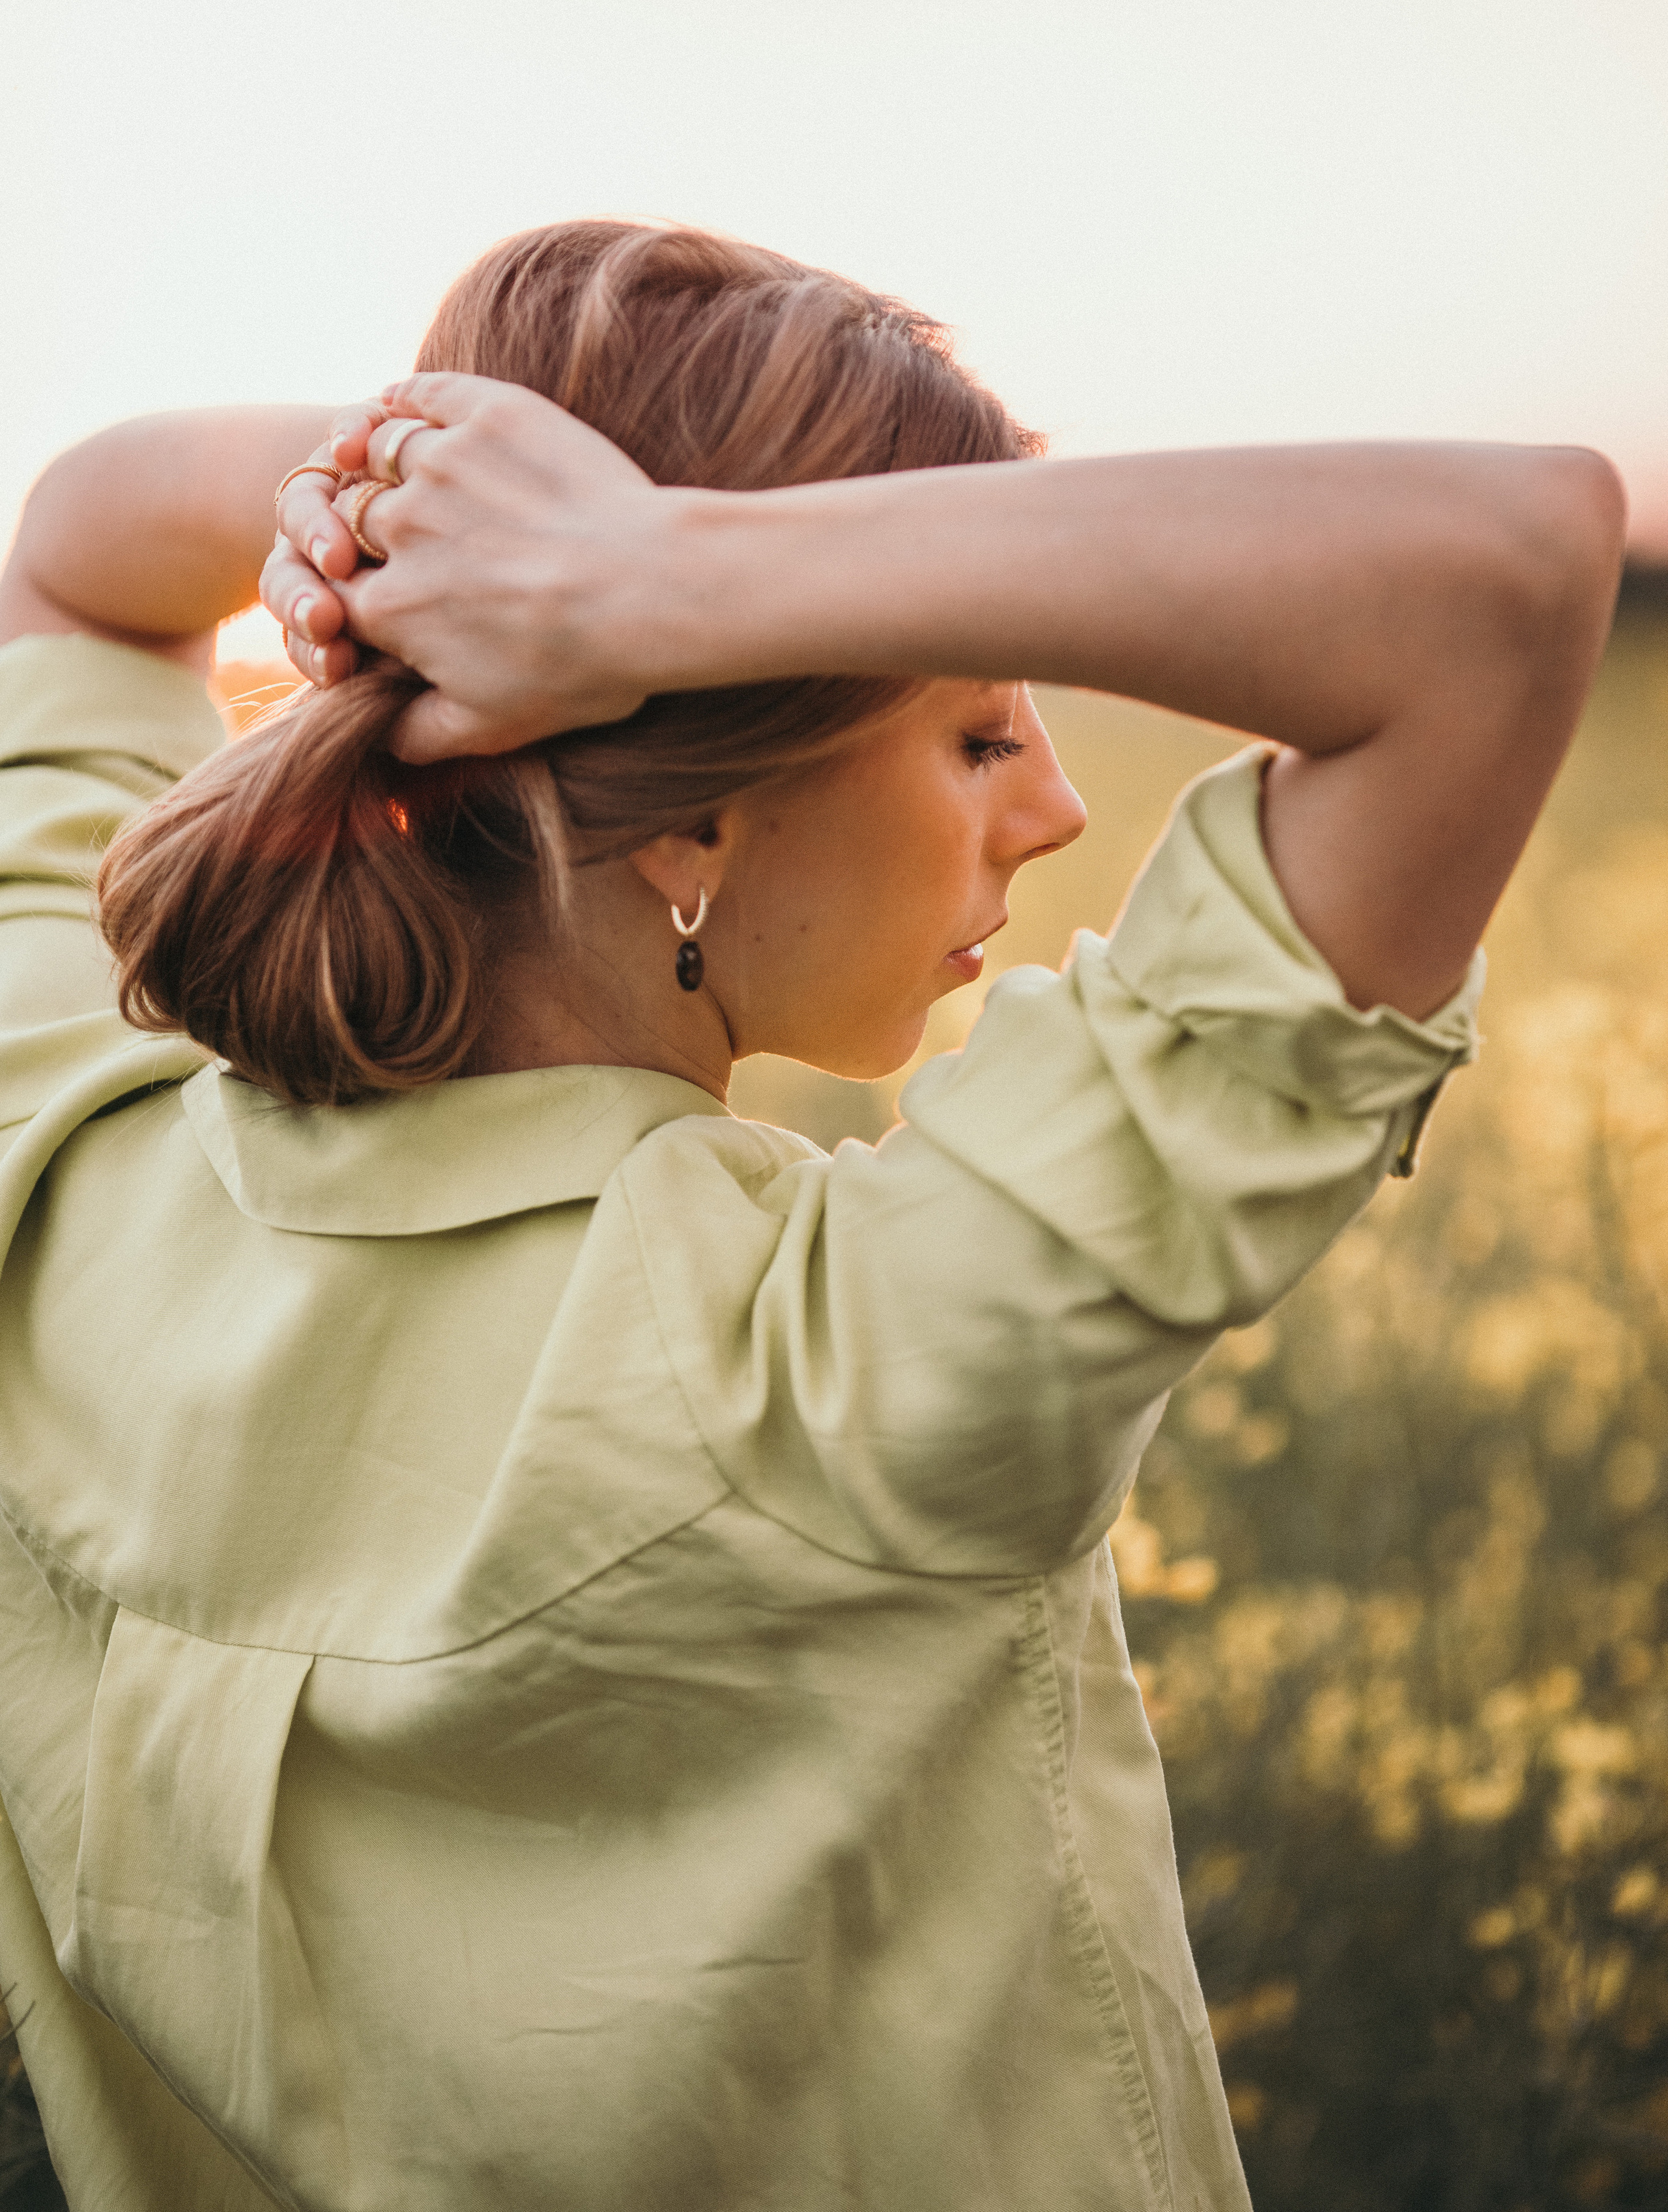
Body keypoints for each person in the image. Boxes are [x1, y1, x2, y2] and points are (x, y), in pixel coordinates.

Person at [0, 220, 1622, 2212]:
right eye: (969, 729)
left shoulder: (61, 1127)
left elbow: (76, 550)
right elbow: (1511, 576)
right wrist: (657, 577)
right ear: (687, 823)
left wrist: (447, 516)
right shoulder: (838, 1383)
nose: (1047, 807)